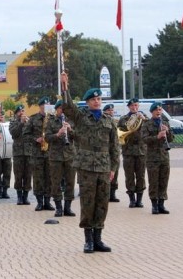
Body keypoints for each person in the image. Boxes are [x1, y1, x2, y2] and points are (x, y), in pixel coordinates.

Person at [61, 74, 119, 253]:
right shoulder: (80, 118)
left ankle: (98, 238)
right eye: (93, 99)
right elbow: (68, 107)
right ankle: (88, 240)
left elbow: (115, 147)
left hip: (103, 167)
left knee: (102, 203)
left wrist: (113, 169)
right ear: (87, 102)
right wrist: (65, 87)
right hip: (86, 167)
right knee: (88, 202)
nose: (97, 101)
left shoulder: (109, 121)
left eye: (99, 98)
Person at [141, 102, 174, 215]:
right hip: (152, 158)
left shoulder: (165, 123)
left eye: (160, 110)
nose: (158, 111)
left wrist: (167, 132)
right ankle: (154, 205)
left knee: (163, 181)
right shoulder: (147, 124)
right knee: (154, 181)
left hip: (164, 157)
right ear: (152, 111)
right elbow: (144, 139)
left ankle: (161, 204)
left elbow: (171, 139)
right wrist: (157, 137)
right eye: (156, 110)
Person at [45, 100, 76, 217]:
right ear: (57, 109)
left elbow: (77, 136)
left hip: (69, 156)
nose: (63, 111)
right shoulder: (50, 121)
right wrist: (57, 134)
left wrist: (70, 130)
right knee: (55, 182)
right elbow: (47, 138)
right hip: (55, 156)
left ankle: (68, 207)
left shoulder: (71, 120)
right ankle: (58, 207)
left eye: (64, 109)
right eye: (61, 109)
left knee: (70, 182)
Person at [23, 97, 54, 211]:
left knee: (49, 178)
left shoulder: (53, 118)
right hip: (37, 153)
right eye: (44, 105)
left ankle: (48, 201)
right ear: (40, 106)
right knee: (38, 178)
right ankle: (39, 202)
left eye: (48, 105)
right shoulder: (33, 119)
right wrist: (36, 139)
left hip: (50, 153)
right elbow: (25, 134)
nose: (47, 107)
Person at [117, 98, 148, 208]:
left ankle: (139, 200)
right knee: (129, 176)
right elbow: (119, 132)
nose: (134, 107)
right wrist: (131, 123)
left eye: (136, 105)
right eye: (132, 106)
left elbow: (150, 129)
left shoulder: (145, 118)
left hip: (141, 151)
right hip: (128, 151)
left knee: (141, 176)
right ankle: (131, 199)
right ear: (129, 107)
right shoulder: (123, 118)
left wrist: (143, 119)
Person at [9, 105, 32, 205]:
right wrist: (21, 123)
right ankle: (19, 196)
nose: (21, 113)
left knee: (28, 175)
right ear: (16, 113)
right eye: (19, 112)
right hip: (18, 153)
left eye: (22, 111)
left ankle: (25, 196)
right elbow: (14, 133)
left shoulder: (29, 121)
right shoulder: (13, 122)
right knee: (18, 175)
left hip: (28, 152)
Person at [103, 104, 120, 202]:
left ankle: (113, 194)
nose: (111, 112)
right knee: (106, 174)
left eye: (112, 110)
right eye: (108, 110)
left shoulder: (116, 122)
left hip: (115, 151)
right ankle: (106, 194)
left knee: (115, 173)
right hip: (106, 151)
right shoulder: (104, 121)